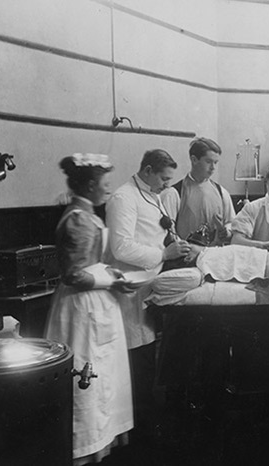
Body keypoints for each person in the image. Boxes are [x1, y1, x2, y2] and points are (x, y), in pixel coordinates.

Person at [44, 153, 133, 465]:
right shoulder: (78, 219)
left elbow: (90, 264)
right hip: (82, 307)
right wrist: (109, 281)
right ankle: (84, 445)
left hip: (95, 300)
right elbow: (72, 275)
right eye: (105, 184)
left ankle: (99, 440)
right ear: (91, 186)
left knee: (102, 374)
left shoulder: (87, 213)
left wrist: (110, 274)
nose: (108, 190)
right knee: (87, 373)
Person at [106, 149, 192, 442]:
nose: (167, 185)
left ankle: (145, 423)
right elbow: (121, 248)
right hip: (130, 289)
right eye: (164, 179)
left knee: (147, 358)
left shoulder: (152, 194)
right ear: (147, 170)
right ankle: (137, 432)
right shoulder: (123, 197)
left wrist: (175, 244)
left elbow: (155, 229)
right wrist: (163, 253)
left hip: (148, 286)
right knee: (137, 360)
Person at [161, 137, 236, 247]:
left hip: (215, 255)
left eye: (216, 162)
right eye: (208, 162)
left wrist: (227, 231)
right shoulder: (174, 193)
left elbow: (231, 222)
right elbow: (168, 233)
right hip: (186, 257)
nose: (213, 168)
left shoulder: (221, 192)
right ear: (194, 160)